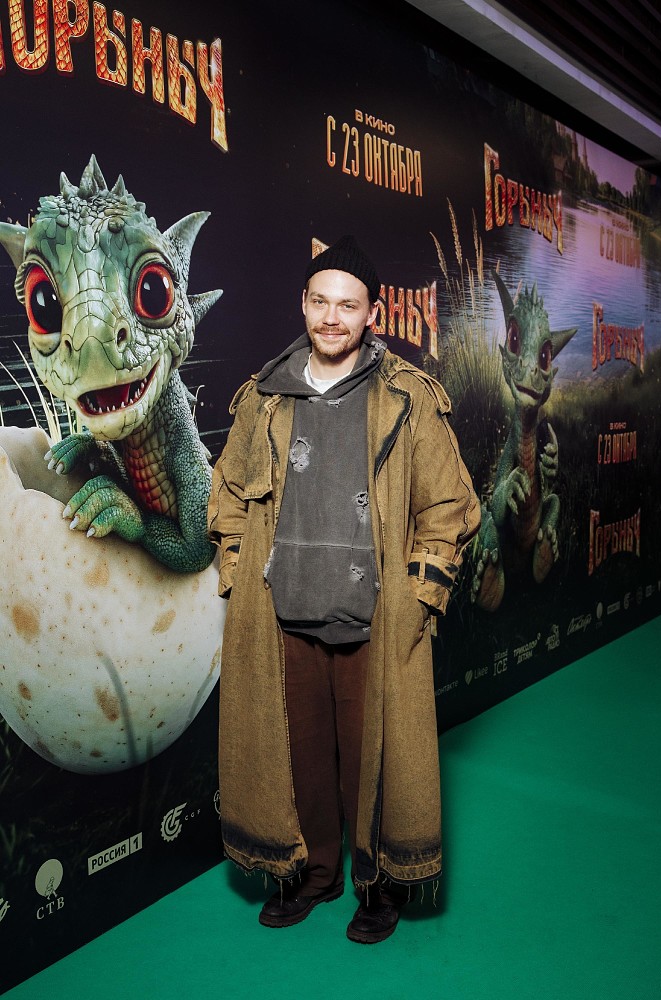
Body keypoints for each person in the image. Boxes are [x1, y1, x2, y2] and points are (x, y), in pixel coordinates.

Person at [207, 235, 480, 943]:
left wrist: (418, 597)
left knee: (375, 763)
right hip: (284, 613)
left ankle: (377, 884)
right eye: (321, 302)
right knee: (297, 760)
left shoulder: (405, 398)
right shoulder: (264, 397)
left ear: (372, 314)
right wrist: (238, 573)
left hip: (375, 618)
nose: (332, 318)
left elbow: (450, 507)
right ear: (303, 304)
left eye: (348, 306)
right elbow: (227, 494)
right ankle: (315, 873)